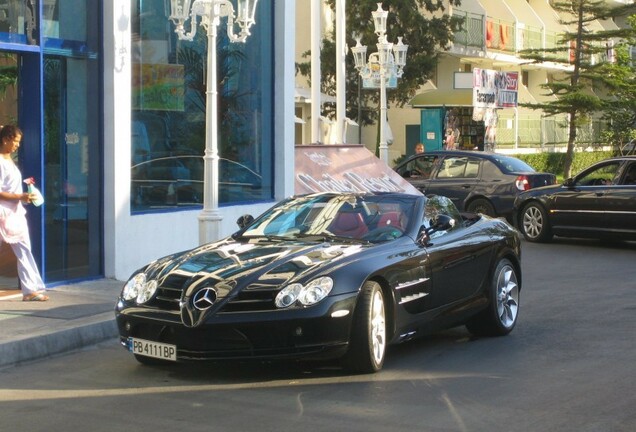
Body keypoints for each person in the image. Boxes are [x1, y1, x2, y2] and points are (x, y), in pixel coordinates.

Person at [0, 125, 49, 301]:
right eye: (16, 141)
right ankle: (31, 290)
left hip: (14, 213)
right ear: (6, 139)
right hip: (2, 212)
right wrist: (19, 196)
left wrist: (23, 197)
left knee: (24, 249)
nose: (17, 145)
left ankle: (31, 290)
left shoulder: (8, 159)